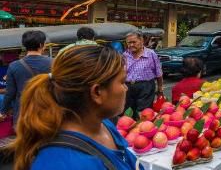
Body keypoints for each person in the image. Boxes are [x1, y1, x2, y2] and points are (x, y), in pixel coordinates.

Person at [9, 45, 142, 170]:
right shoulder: (64, 164)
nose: (126, 88)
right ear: (97, 92)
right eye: (122, 82)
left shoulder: (103, 125)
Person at [0, 30, 52, 124]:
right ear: (41, 45)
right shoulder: (53, 63)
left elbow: (10, 93)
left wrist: (3, 111)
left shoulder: (14, 66)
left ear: (25, 46)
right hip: (46, 112)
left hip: (22, 113)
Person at [124, 30, 163, 118]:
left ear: (141, 40)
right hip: (128, 87)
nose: (131, 45)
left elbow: (159, 73)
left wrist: (160, 88)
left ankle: (142, 129)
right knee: (128, 113)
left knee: (143, 113)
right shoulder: (125, 55)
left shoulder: (151, 54)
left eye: (134, 42)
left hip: (146, 86)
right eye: (129, 43)